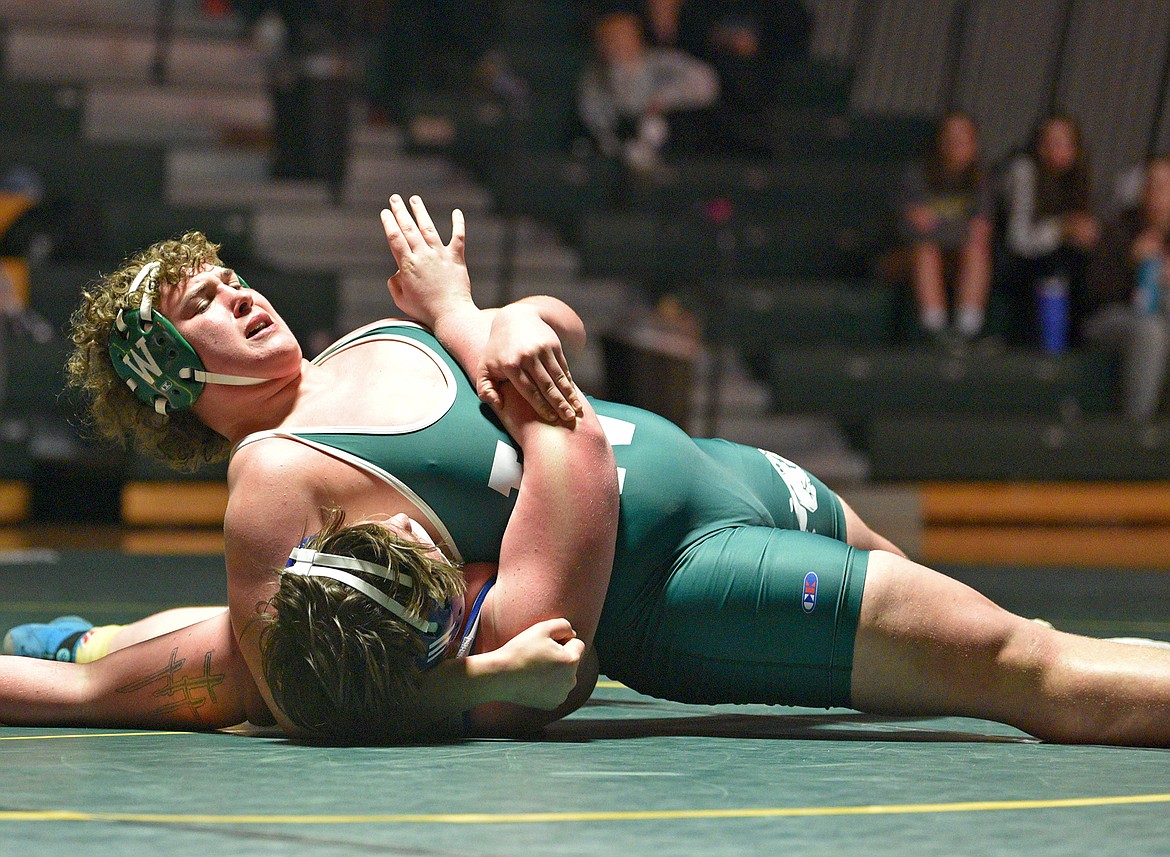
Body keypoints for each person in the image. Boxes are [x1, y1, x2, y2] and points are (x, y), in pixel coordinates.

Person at [9, 197, 1170, 748]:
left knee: (1008, 628)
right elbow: (295, 684)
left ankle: (58, 629)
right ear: (169, 380)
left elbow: (550, 346)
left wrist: (490, 310)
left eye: (222, 276)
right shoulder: (273, 472)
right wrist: (469, 686)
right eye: (198, 306)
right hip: (682, 577)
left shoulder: (375, 339)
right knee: (1022, 668)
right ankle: (56, 646)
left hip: (732, 472)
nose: (235, 294)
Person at [997, 114, 1100, 349]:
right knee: (1057, 266)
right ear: (1038, 145)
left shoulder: (1077, 177)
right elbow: (1019, 241)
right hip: (1015, 260)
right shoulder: (1023, 171)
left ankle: (1077, 340)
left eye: (1067, 143)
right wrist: (1062, 228)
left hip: (1056, 255)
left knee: (1086, 261)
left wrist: (1087, 232)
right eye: (1051, 142)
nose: (1059, 150)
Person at [1082, 156, 1170, 422]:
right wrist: (1131, 265)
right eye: (1151, 185)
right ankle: (1137, 431)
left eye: (1165, 186)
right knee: (1151, 331)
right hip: (1111, 319)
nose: (1157, 194)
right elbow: (1095, 292)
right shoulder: (1118, 229)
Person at [576, 9, 720, 170]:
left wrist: (663, 100)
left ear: (637, 36)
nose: (618, 43)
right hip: (620, 152)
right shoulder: (595, 77)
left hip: (675, 146)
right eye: (610, 38)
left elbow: (706, 82)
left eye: (623, 35)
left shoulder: (661, 62)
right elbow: (595, 117)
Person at [897, 112, 994, 346]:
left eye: (964, 137)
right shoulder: (916, 176)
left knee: (976, 251)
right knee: (926, 251)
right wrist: (957, 228)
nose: (957, 143)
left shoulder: (982, 179)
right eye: (950, 136)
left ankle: (966, 331)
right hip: (905, 259)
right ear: (939, 141)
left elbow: (980, 232)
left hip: (956, 259)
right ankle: (935, 332)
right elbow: (913, 231)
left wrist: (938, 224)